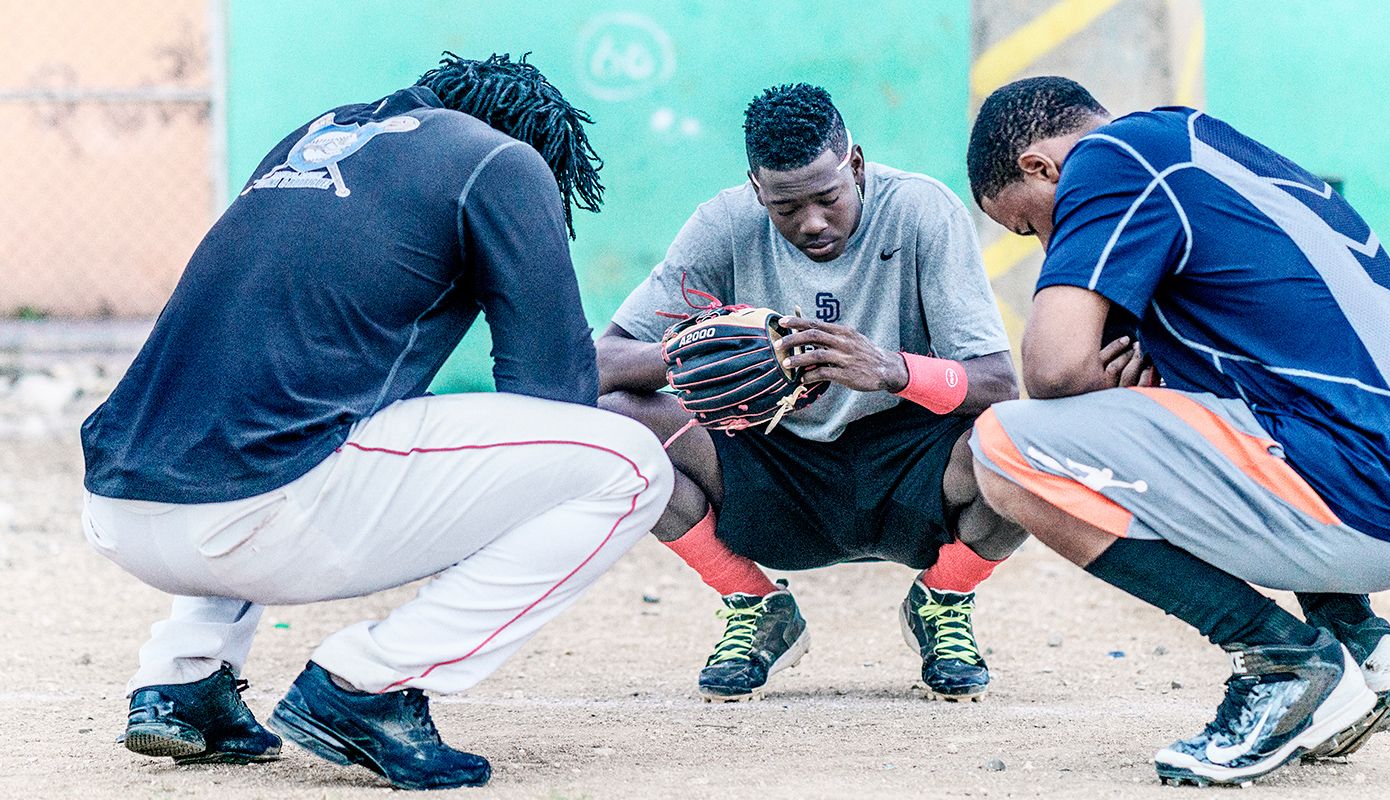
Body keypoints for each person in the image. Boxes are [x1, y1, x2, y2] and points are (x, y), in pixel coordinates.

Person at [78, 54, 670, 791]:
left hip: (115, 504)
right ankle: (368, 685)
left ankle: (184, 678)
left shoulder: (315, 138)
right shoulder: (502, 162)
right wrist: (666, 364)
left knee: (273, 410)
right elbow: (551, 390)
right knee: (630, 463)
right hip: (258, 519)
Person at [963, 77, 1390, 785]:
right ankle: (1353, 636)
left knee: (1005, 448)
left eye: (1029, 225)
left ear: (1041, 168)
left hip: (1377, 499)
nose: (1043, 242)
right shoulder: (1211, 151)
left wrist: (1099, 381)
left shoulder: (1111, 157)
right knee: (1187, 386)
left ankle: (1285, 662)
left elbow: (1054, 369)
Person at [597, 83, 1023, 702]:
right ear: (756, 188)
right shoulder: (724, 223)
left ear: (854, 164)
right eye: (786, 208)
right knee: (617, 426)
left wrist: (889, 369)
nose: (812, 222)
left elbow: (998, 382)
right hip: (772, 457)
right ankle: (753, 604)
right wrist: (694, 354)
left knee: (1025, 448)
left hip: (907, 463)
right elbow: (606, 359)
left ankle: (944, 597)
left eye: (827, 198)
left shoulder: (922, 210)